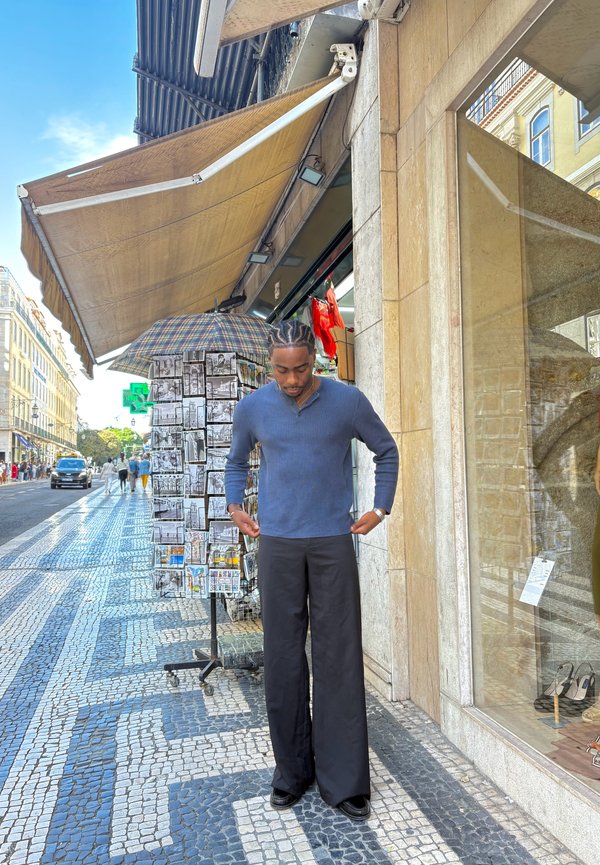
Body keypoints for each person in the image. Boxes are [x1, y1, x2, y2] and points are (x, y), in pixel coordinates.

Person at [224, 320, 399, 822]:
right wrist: (236, 506)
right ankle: (292, 774)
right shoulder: (253, 407)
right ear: (269, 366)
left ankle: (344, 783)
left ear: (315, 361)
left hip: (331, 543)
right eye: (282, 370)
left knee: (339, 657)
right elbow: (236, 462)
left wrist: (380, 508)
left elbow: (385, 450)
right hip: (276, 544)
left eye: (301, 368)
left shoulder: (348, 401)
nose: (293, 379)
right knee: (281, 658)